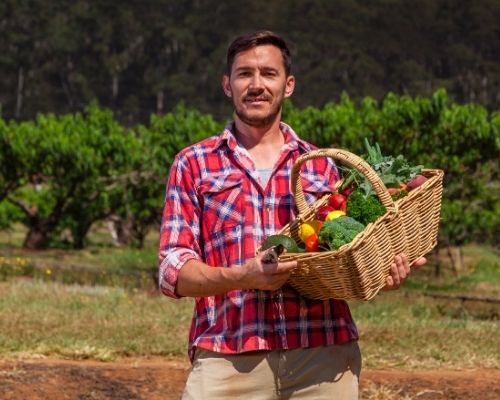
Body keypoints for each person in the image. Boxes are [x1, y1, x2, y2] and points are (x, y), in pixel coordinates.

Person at [158, 30, 426, 399]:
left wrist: (382, 272)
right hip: (228, 356)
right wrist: (242, 276)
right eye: (244, 74)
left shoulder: (324, 167)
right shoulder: (194, 164)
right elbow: (173, 270)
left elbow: (345, 257)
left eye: (268, 74)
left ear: (288, 85)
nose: (256, 85)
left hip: (322, 355)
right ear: (226, 85)